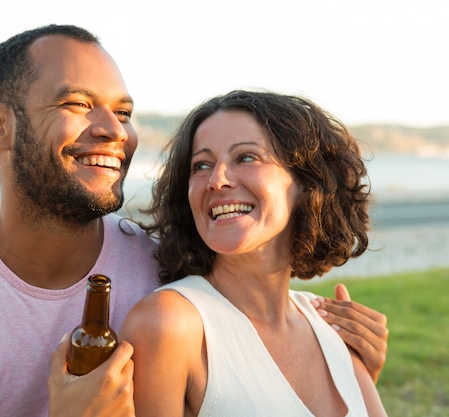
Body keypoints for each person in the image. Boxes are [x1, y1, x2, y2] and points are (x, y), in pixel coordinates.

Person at [0, 25, 386, 417]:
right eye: (76, 103)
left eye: (123, 112)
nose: (114, 130)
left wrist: (343, 367)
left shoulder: (170, 266)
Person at [120, 90, 387, 416]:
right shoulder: (170, 324)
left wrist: (362, 373)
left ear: (306, 183)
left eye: (245, 157)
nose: (216, 180)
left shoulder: (331, 326)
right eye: (201, 165)